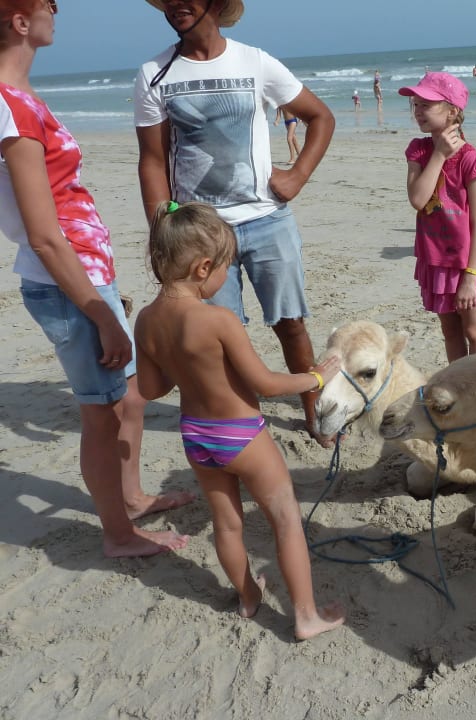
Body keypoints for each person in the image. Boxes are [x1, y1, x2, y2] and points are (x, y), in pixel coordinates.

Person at [0, 0, 193, 557]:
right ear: (20, 21)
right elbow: (43, 235)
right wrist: (100, 312)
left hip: (84, 275)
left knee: (129, 399)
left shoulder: (23, 98)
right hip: (66, 283)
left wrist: (103, 292)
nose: (56, 13)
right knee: (103, 415)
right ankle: (118, 535)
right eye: (49, 5)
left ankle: (130, 500)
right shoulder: (11, 107)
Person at [136, 201, 346, 639]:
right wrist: (315, 377)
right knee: (285, 517)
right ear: (203, 268)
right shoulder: (218, 320)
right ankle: (305, 616)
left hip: (196, 437)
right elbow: (265, 383)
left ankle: (248, 596)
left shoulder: (146, 320)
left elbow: (152, 389)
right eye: (224, 269)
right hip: (241, 434)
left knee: (228, 524)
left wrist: (177, 365)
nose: (223, 277)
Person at [134, 0, 336, 443]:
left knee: (291, 324)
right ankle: (243, 425)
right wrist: (162, 230)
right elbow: (152, 161)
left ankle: (313, 411)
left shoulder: (255, 62)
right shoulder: (154, 73)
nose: (176, 4)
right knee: (216, 340)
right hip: (200, 234)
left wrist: (298, 174)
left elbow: (321, 116)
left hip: (267, 220)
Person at [400, 72, 476, 362]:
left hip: (464, 264)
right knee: (450, 331)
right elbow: (418, 199)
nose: (418, 111)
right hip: (435, 260)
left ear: (452, 111)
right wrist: (438, 155)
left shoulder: (470, 159)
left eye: (426, 105)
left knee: (473, 330)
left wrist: (470, 277)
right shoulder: (419, 150)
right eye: (415, 105)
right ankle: (458, 383)